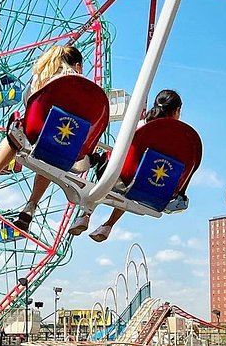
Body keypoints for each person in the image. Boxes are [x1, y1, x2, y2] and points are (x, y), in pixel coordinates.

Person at [0, 40, 105, 231]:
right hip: (73, 150)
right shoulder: (89, 89)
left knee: (16, 130)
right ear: (79, 66)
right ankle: (31, 206)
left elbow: (29, 105)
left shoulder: (40, 79)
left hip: (37, 135)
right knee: (51, 159)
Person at [70, 89, 186, 242]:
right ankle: (108, 225)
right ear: (177, 111)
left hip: (121, 175)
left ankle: (85, 214)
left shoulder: (140, 125)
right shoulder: (179, 137)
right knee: (133, 188)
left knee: (117, 170)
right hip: (150, 183)